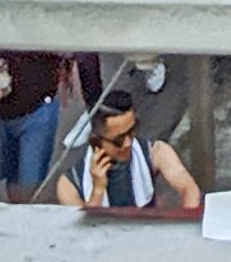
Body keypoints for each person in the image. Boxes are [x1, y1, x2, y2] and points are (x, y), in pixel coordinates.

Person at [51, 89, 202, 210]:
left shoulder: (155, 152)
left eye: (132, 132)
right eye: (118, 140)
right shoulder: (69, 185)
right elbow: (85, 234)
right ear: (96, 140)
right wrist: (97, 192)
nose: (128, 143)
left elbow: (190, 190)